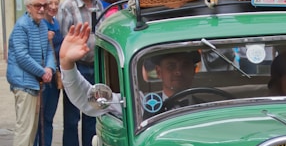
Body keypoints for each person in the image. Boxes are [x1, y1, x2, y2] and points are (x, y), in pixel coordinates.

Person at [59, 23, 198, 117]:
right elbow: (89, 100)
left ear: (194, 70)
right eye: (171, 66)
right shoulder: (140, 103)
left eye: (185, 65)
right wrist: (67, 64)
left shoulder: (209, 104)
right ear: (159, 71)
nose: (178, 72)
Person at [7, 0, 55, 146]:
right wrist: (42, 71)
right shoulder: (21, 26)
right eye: (38, 5)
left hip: (35, 81)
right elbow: (22, 56)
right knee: (24, 124)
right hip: (24, 81)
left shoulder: (41, 25)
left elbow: (49, 50)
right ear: (28, 6)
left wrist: (50, 68)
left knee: (32, 124)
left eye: (44, 5)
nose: (42, 9)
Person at [58, 0, 104, 146]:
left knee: (92, 110)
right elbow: (62, 40)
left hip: (95, 65)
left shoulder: (98, 4)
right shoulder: (68, 7)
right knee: (72, 115)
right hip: (77, 66)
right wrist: (62, 70)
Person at [31, 0, 64, 146]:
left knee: (49, 118)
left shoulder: (56, 23)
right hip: (40, 76)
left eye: (55, 3)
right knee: (38, 118)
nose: (52, 7)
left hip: (54, 76)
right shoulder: (38, 24)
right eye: (49, 3)